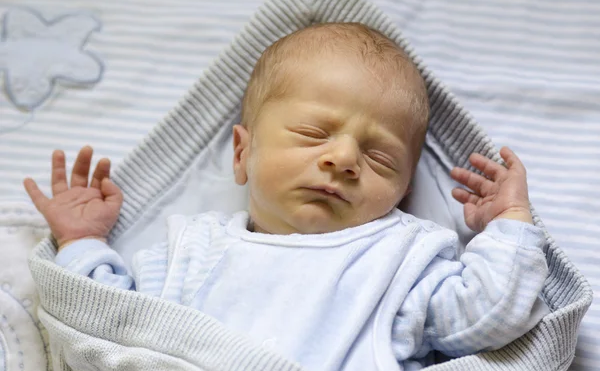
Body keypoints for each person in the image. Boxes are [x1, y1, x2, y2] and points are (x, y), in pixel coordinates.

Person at [23, 23, 548, 370]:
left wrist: (510, 222)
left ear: (403, 191)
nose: (343, 158)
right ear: (241, 153)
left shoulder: (402, 260)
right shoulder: (190, 248)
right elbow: (111, 324)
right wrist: (82, 241)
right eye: (313, 133)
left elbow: (491, 318)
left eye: (379, 157)